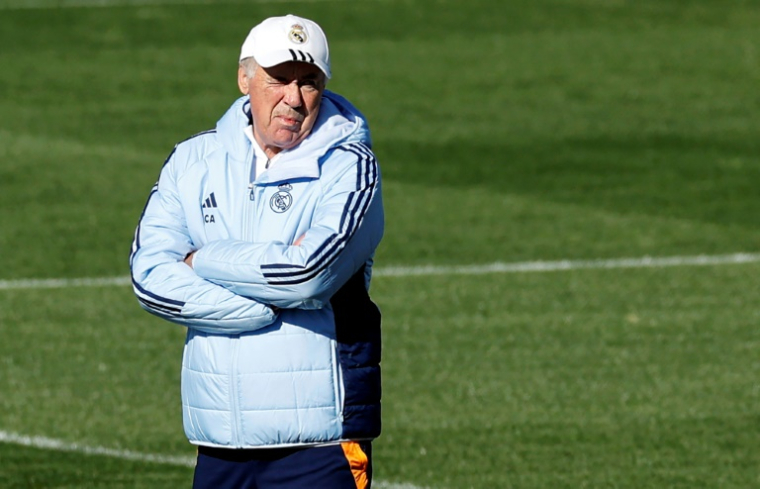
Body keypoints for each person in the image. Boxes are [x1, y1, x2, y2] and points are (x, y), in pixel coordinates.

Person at [129, 14, 383, 489]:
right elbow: (149, 278)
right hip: (220, 444)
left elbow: (307, 275)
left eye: (309, 82)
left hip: (321, 446)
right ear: (244, 79)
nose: (294, 98)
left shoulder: (351, 167)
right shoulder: (192, 161)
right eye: (279, 79)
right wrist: (259, 308)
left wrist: (201, 261)